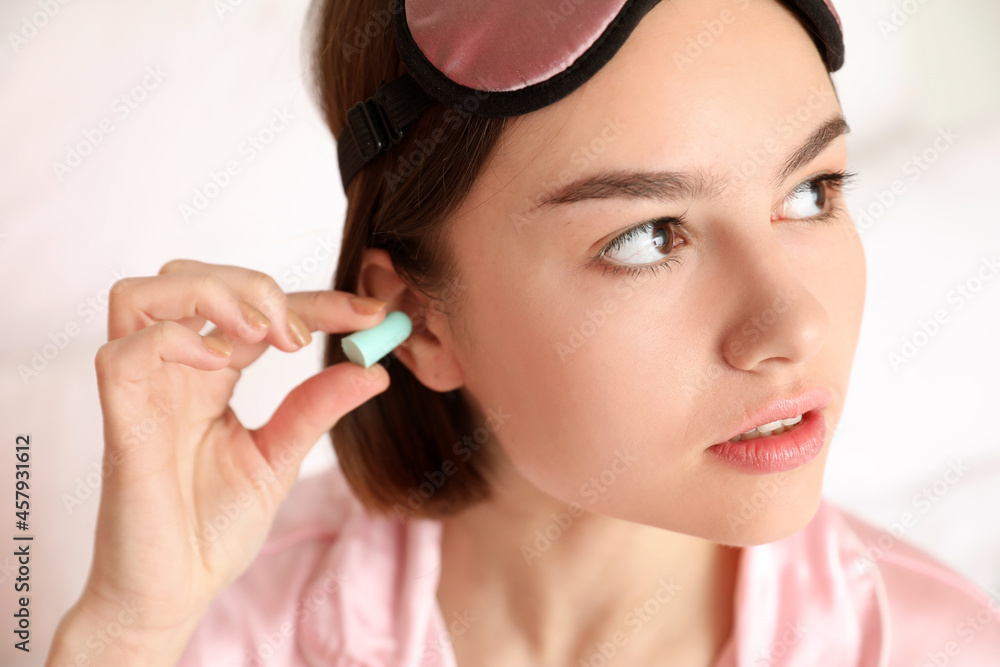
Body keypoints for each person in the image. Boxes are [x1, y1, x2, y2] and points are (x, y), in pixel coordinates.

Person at [45, 0, 1000, 665]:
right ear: (417, 318)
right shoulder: (230, 621)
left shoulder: (936, 644)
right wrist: (128, 631)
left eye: (812, 190)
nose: (795, 323)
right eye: (646, 237)